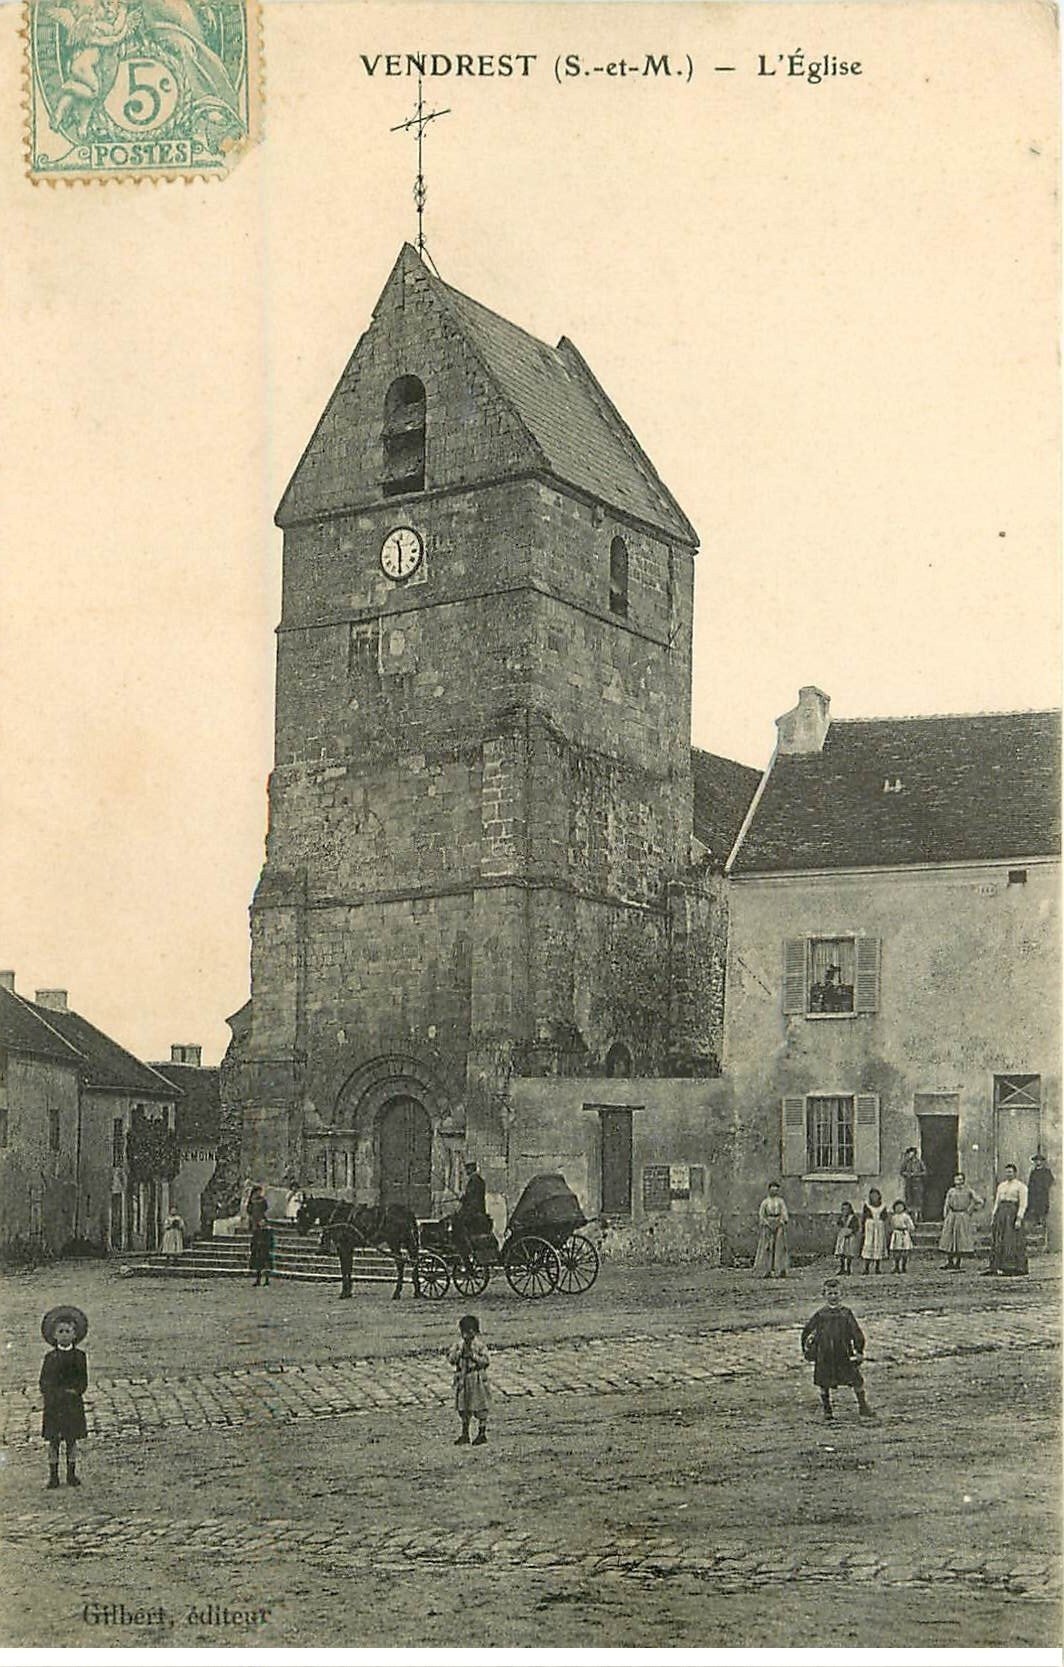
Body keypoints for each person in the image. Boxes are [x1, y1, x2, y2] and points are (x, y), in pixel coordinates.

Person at [801, 1279, 874, 1421]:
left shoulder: (846, 1313)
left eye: (836, 1293)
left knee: (856, 1380)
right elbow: (807, 1333)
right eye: (830, 1293)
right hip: (825, 1354)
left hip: (844, 1353)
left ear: (841, 1294)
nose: (833, 1297)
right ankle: (827, 1410)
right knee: (824, 1382)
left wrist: (859, 1350)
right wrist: (809, 1351)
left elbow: (856, 1333)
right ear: (824, 1295)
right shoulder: (821, 1315)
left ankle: (863, 1406)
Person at [40, 1305, 89, 1489]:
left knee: (71, 1440)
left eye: (68, 1331)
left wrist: (74, 1392)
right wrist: (52, 1394)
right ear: (54, 1335)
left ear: (75, 1334)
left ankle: (71, 1474)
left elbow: (82, 1382)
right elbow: (43, 1382)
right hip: (54, 1405)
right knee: (53, 1441)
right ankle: (53, 1476)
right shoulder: (50, 1357)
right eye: (60, 1331)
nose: (64, 1335)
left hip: (72, 1405)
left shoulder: (79, 1357)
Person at [448, 1314, 490, 1446]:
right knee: (463, 1406)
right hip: (463, 1379)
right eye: (464, 1332)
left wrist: (473, 1356)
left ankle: (482, 1433)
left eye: (470, 1332)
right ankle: (465, 1433)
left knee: (479, 1406)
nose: (466, 1335)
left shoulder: (479, 1346)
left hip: (476, 1378)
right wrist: (459, 1354)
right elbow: (451, 1359)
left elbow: (486, 1361)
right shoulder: (458, 1345)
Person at [984, 1164, 1028, 1276]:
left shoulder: (1020, 1186)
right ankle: (996, 1266)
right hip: (1001, 1214)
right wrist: (993, 1216)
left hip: (1012, 1214)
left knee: (1011, 1240)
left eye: (1010, 1172)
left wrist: (1019, 1218)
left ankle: (1012, 1267)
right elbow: (997, 1202)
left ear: (1015, 1173)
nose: (1008, 1174)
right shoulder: (1001, 1186)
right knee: (998, 1240)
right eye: (1007, 1172)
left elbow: (1023, 1204)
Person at [450, 1160, 492, 1271]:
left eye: (466, 1169)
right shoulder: (479, 1181)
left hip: (473, 1214)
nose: (465, 1171)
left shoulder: (474, 1181)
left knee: (455, 1227)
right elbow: (473, 1198)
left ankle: (463, 1255)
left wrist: (463, 1201)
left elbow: (472, 1201)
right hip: (478, 1212)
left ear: (470, 1169)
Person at [939, 1173, 984, 1270]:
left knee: (960, 1239)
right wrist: (946, 1214)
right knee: (949, 1239)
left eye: (960, 1180)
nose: (958, 1182)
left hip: (962, 1216)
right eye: (956, 1180)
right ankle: (949, 1261)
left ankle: (958, 1262)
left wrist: (970, 1210)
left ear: (963, 1180)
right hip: (952, 1216)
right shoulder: (951, 1191)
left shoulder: (968, 1191)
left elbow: (979, 1201)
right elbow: (947, 1203)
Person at [753, 1181, 790, 1278]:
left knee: (779, 1246)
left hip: (779, 1223)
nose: (774, 1191)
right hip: (768, 1224)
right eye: (772, 1189)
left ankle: (780, 1269)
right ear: (769, 1190)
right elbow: (761, 1214)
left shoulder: (780, 1201)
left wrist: (782, 1221)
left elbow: (784, 1212)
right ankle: (766, 1270)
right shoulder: (765, 1202)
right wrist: (766, 1222)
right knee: (767, 1247)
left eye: (776, 1189)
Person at [860, 1188, 889, 1274]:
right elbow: (864, 1217)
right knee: (869, 1244)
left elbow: (885, 1217)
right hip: (870, 1227)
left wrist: (882, 1223)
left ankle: (877, 1267)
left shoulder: (883, 1206)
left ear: (879, 1196)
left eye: (876, 1195)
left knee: (878, 1245)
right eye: (872, 1195)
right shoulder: (867, 1206)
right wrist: (863, 1229)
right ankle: (866, 1268)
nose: (874, 1197)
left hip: (879, 1227)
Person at [1027, 1154, 1055, 1229]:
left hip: (1043, 1195)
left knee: (1043, 1210)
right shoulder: (1033, 1172)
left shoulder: (1047, 1171)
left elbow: (1051, 1181)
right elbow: (1030, 1184)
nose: (1038, 1162)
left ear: (1042, 1162)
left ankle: (1043, 1225)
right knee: (1035, 1211)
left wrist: (1044, 1187)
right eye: (1036, 1161)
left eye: (1039, 1161)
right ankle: (1036, 1225)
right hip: (1034, 1196)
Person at [833, 1202, 861, 1275]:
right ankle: (842, 1267)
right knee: (841, 1252)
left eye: (847, 1209)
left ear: (850, 1209)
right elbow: (838, 1225)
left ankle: (848, 1268)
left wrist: (850, 1232)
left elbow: (856, 1227)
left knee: (849, 1253)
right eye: (843, 1209)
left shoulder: (853, 1218)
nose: (845, 1211)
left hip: (850, 1237)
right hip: (842, 1237)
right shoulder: (841, 1217)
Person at [900, 1148, 927, 1222]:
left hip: (917, 1183)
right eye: (909, 1154)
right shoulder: (906, 1163)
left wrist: (916, 1174)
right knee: (909, 1199)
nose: (909, 1155)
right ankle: (910, 1218)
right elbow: (902, 1172)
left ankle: (918, 1217)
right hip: (909, 1183)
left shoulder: (919, 1162)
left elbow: (924, 1172)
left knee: (918, 1199)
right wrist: (908, 1174)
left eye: (911, 1153)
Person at [888, 1200, 916, 1274]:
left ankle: (904, 1266)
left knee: (905, 1251)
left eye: (900, 1207)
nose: (899, 1208)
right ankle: (896, 1266)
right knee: (896, 1251)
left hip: (904, 1234)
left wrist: (908, 1231)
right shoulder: (894, 1217)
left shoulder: (906, 1216)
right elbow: (891, 1225)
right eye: (897, 1207)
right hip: (896, 1234)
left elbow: (911, 1226)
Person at [250, 1219, 274, 1287]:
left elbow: (270, 1241)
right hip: (258, 1251)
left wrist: (268, 1247)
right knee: (258, 1267)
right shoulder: (257, 1231)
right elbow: (253, 1240)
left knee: (266, 1267)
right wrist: (253, 1248)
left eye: (263, 1222)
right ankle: (258, 1280)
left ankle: (267, 1280)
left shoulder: (268, 1232)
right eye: (260, 1222)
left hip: (265, 1251)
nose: (261, 1223)